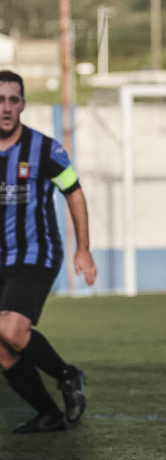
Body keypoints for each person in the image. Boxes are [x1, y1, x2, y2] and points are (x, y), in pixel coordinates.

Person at [0, 70, 96, 433]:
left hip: (36, 253)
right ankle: (49, 414)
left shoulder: (44, 148)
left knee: (9, 329)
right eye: (0, 100)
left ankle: (68, 375)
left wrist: (82, 248)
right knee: (2, 347)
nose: (6, 108)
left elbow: (73, 191)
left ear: (22, 104)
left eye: (13, 99)